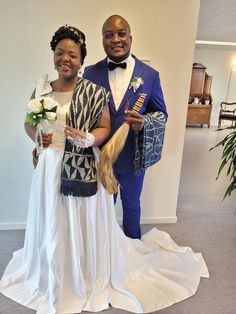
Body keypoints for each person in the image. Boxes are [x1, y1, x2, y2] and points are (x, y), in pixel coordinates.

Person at [0, 25, 209, 314]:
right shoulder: (40, 90)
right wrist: (37, 137)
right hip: (49, 168)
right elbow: (29, 124)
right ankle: (55, 268)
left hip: (88, 163)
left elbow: (106, 126)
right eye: (60, 52)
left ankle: (87, 269)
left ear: (81, 59)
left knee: (107, 214)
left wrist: (89, 138)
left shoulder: (98, 88)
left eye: (72, 54)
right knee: (54, 219)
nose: (66, 58)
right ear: (53, 55)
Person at [83, 15, 167, 239]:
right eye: (109, 35)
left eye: (121, 34)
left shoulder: (150, 75)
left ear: (131, 37)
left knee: (131, 206)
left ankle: (134, 249)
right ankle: (102, 250)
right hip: (99, 157)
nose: (116, 39)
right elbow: (80, 112)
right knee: (101, 209)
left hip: (133, 156)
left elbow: (161, 114)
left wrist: (145, 122)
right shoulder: (89, 73)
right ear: (102, 40)